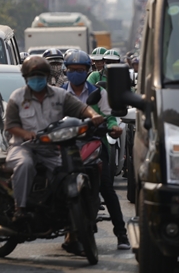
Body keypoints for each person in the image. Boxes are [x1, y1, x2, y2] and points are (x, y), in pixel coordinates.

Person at [4, 56, 105, 221]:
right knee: (25, 165)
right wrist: (26, 134)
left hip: (52, 148)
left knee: (68, 170)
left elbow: (81, 108)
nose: (37, 80)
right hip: (24, 147)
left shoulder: (60, 95)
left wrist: (94, 115)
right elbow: (10, 125)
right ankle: (20, 208)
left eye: (40, 76)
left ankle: (65, 212)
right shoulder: (17, 97)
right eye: (33, 76)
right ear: (26, 78)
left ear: (47, 76)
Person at [62, 50, 131, 251]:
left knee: (107, 188)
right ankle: (68, 232)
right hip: (68, 148)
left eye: (80, 70)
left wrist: (113, 127)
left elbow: (110, 117)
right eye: (72, 70)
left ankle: (121, 234)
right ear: (66, 71)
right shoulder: (60, 94)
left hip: (94, 145)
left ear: (87, 70)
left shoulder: (99, 93)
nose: (76, 73)